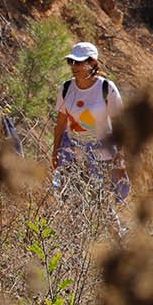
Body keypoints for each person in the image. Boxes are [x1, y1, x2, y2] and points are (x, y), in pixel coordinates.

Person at [52, 41, 129, 202]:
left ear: (92, 62)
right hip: (72, 154)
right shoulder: (66, 89)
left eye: (79, 62)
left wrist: (121, 156)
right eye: (71, 62)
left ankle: (115, 228)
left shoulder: (106, 88)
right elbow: (60, 124)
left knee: (99, 203)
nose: (74, 66)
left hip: (102, 154)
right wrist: (55, 151)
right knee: (72, 200)